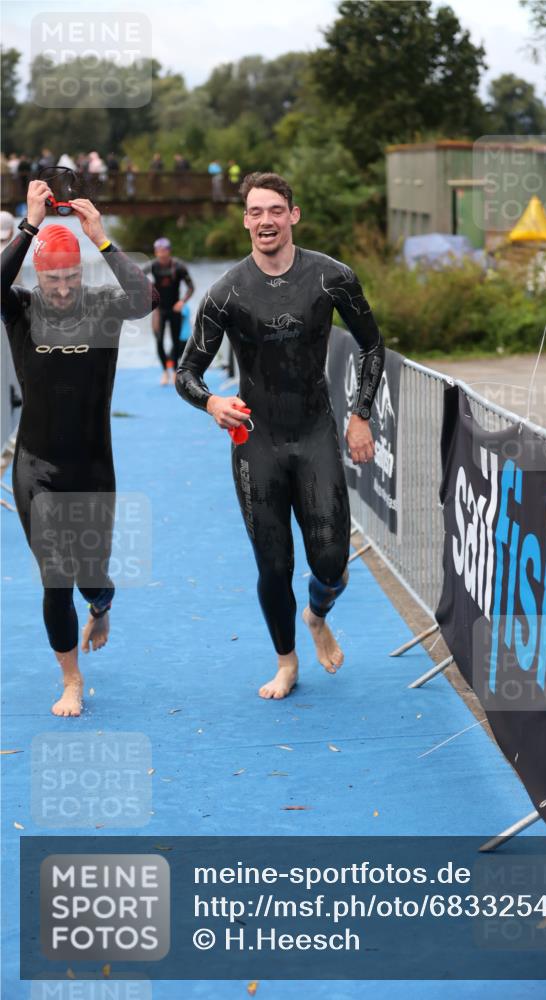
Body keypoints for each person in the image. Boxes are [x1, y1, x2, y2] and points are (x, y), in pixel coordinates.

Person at [176, 171, 384, 700]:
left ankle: (317, 615)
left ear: (293, 215)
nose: (265, 220)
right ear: (245, 220)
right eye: (254, 212)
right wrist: (212, 402)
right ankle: (287, 663)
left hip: (314, 432)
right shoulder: (226, 293)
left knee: (332, 564)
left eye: (274, 210)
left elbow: (372, 346)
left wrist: (361, 415)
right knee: (274, 565)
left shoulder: (331, 277)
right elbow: (186, 372)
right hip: (257, 443)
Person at [0, 179, 157, 717]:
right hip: (36, 468)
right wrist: (31, 223)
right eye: (52, 278)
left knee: (90, 575)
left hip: (92, 467)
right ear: (37, 276)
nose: (62, 288)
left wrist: (102, 239)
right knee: (55, 577)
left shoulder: (102, 308)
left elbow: (147, 299)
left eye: (69, 277)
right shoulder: (20, 310)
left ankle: (103, 601)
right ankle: (71, 680)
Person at [143, 237, 194, 384]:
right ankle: (165, 371)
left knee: (176, 341)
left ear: (169, 251)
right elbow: (137, 278)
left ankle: (175, 370)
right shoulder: (153, 266)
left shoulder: (178, 267)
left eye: (164, 251)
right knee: (158, 341)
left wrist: (182, 301)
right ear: (155, 251)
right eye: (158, 251)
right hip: (159, 310)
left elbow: (191, 287)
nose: (161, 254)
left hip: (175, 309)